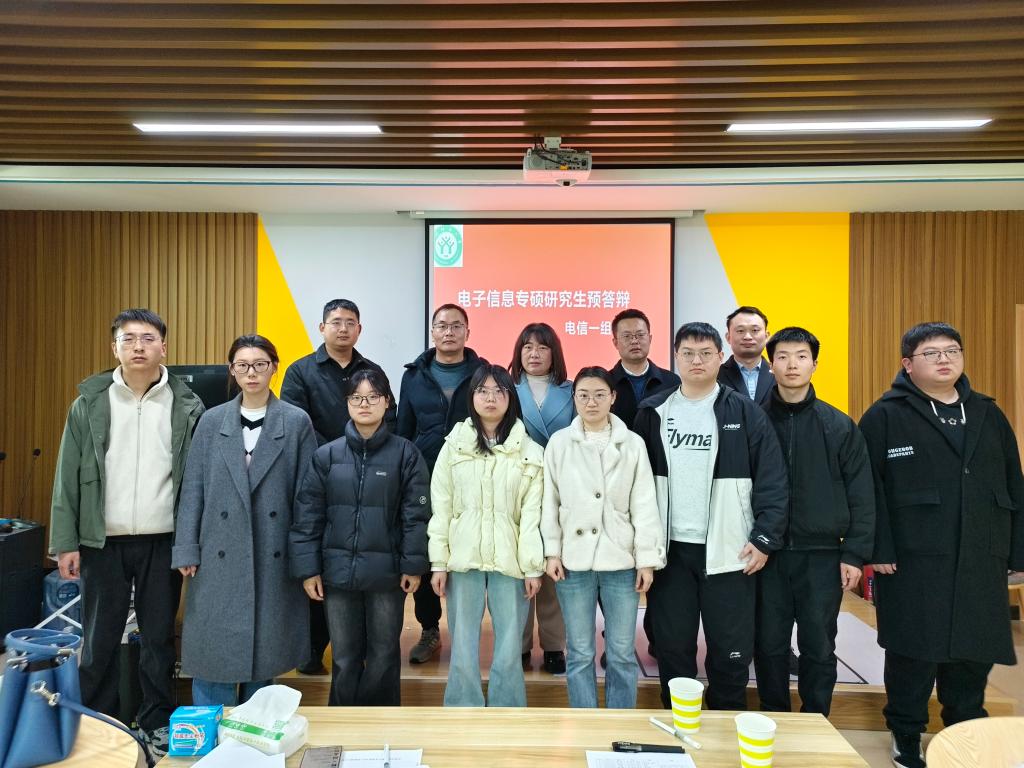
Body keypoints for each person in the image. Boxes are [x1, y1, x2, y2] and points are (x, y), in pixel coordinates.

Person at [859, 322, 1024, 768]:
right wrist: (878, 549)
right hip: (913, 559)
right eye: (931, 353)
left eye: (952, 350)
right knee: (913, 653)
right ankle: (906, 735)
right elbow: (869, 489)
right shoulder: (885, 415)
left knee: (972, 653)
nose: (944, 359)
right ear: (907, 364)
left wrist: (1018, 552)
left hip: (980, 555)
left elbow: (1014, 482)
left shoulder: (987, 413)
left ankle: (965, 733)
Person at [49, 308, 204, 756]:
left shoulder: (188, 405)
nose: (139, 346)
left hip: (163, 540)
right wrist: (65, 543)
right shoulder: (89, 403)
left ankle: (156, 721)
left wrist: (191, 541)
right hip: (103, 540)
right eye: (129, 338)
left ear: (164, 347)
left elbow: (197, 481)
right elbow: (66, 476)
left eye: (148, 338)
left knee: (158, 639)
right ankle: (99, 721)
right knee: (99, 639)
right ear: (114, 347)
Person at [634, 321, 788, 710]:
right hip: (671, 552)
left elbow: (772, 480)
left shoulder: (746, 412)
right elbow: (636, 486)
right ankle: (680, 726)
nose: (697, 361)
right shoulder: (653, 412)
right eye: (688, 353)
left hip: (730, 551)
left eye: (705, 353)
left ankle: (726, 726)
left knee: (731, 652)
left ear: (721, 357)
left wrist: (764, 538)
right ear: (676, 358)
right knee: (673, 649)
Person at [173, 335, 316, 706]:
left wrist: (305, 560)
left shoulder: (296, 422)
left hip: (273, 551)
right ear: (232, 370)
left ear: (274, 367)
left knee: (264, 656)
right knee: (213, 655)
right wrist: (186, 546)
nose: (251, 373)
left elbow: (307, 497)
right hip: (216, 551)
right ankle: (212, 735)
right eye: (242, 365)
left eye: (260, 364)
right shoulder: (211, 421)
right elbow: (193, 488)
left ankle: (255, 734)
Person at [753, 327, 875, 716]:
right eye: (783, 356)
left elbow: (862, 494)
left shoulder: (838, 424)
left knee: (819, 644)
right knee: (768, 644)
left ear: (815, 364)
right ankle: (774, 714)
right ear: (771, 365)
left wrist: (854, 554)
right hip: (766, 555)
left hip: (822, 555)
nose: (792, 364)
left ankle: (816, 717)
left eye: (801, 356)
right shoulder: (753, 420)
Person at [290, 369, 430, 706]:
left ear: (387, 402)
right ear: (347, 403)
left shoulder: (406, 454)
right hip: (337, 573)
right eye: (356, 398)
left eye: (372, 397)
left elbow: (417, 516)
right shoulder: (326, 456)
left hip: (387, 576)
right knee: (344, 656)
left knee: (383, 654)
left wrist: (413, 567)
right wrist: (309, 570)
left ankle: (380, 724)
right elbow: (308, 516)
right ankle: (343, 723)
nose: (364, 404)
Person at [281, 298, 395, 674]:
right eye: (336, 322)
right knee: (323, 563)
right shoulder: (300, 371)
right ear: (322, 328)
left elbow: (389, 418)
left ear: (359, 329)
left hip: (368, 476)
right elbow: (295, 424)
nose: (343, 328)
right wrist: (332, 458)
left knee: (359, 567)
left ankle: (358, 653)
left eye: (350, 322)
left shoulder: (372, 371)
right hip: (319, 475)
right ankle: (312, 650)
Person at [542, 366, 666, 708]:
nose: (591, 402)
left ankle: (619, 722)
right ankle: (586, 723)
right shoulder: (559, 443)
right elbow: (549, 502)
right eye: (583, 395)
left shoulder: (633, 444)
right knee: (580, 651)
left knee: (622, 652)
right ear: (574, 399)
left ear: (613, 397)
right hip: (574, 560)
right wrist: (552, 552)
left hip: (620, 560)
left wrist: (647, 559)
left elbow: (645, 504)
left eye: (599, 394)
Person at [428, 364, 544, 707]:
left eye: (499, 391)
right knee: (462, 641)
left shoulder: (529, 451)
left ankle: (508, 708)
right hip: (463, 557)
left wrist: (532, 567)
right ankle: (462, 706)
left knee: (510, 643)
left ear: (511, 398)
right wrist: (438, 562)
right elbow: (441, 507)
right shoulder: (453, 447)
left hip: (511, 560)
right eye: (482, 391)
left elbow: (531, 516)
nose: (490, 398)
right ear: (472, 397)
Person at [397, 303, 485, 663]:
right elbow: (403, 429)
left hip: (472, 477)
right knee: (426, 549)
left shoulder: (483, 373)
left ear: (468, 332)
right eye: (442, 326)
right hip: (424, 475)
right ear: (432, 332)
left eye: (456, 326)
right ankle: (430, 629)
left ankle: (466, 631)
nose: (449, 332)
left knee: (467, 550)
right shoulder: (413, 375)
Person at [510, 322, 571, 674]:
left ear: (554, 353)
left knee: (553, 567)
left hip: (559, 488)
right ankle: (517, 645)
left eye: (542, 347)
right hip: (517, 487)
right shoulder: (505, 388)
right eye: (528, 346)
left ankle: (553, 644)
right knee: (520, 567)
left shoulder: (572, 391)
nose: (534, 354)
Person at [609, 308, 680, 429]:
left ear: (650, 339)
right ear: (615, 343)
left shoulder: (672, 381)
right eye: (627, 336)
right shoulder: (606, 383)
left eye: (640, 335)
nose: (634, 341)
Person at [718, 306, 775, 406]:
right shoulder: (715, 375)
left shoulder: (780, 374)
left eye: (755, 330)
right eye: (740, 331)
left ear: (766, 336)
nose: (747, 337)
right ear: (728, 337)